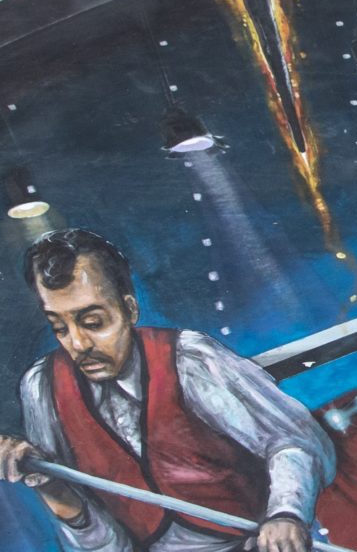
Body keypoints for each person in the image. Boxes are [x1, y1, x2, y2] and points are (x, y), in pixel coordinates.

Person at [0, 228, 336, 552]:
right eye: (59, 327)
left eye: (93, 323)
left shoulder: (190, 359)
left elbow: (296, 441)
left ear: (129, 309)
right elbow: (105, 546)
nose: (78, 344)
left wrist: (285, 513)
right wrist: (54, 489)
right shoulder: (42, 389)